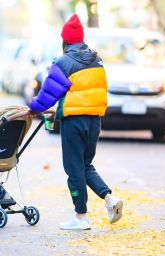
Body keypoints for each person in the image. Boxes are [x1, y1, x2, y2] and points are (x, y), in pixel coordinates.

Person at [29, 14, 123, 230]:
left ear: (65, 41)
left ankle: (80, 217)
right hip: (94, 122)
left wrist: (33, 108)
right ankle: (110, 199)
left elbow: (47, 95)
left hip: (74, 122)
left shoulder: (63, 62)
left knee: (73, 169)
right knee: (85, 165)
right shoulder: (96, 61)